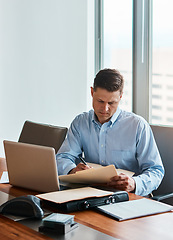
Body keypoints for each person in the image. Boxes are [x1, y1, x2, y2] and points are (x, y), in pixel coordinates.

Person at [56, 68, 164, 196]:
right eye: (100, 101)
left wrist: (134, 183)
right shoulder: (80, 122)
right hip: (92, 193)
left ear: (121, 96)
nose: (105, 109)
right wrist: (72, 170)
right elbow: (62, 157)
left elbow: (155, 170)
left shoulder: (138, 126)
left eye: (112, 103)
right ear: (92, 92)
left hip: (128, 197)